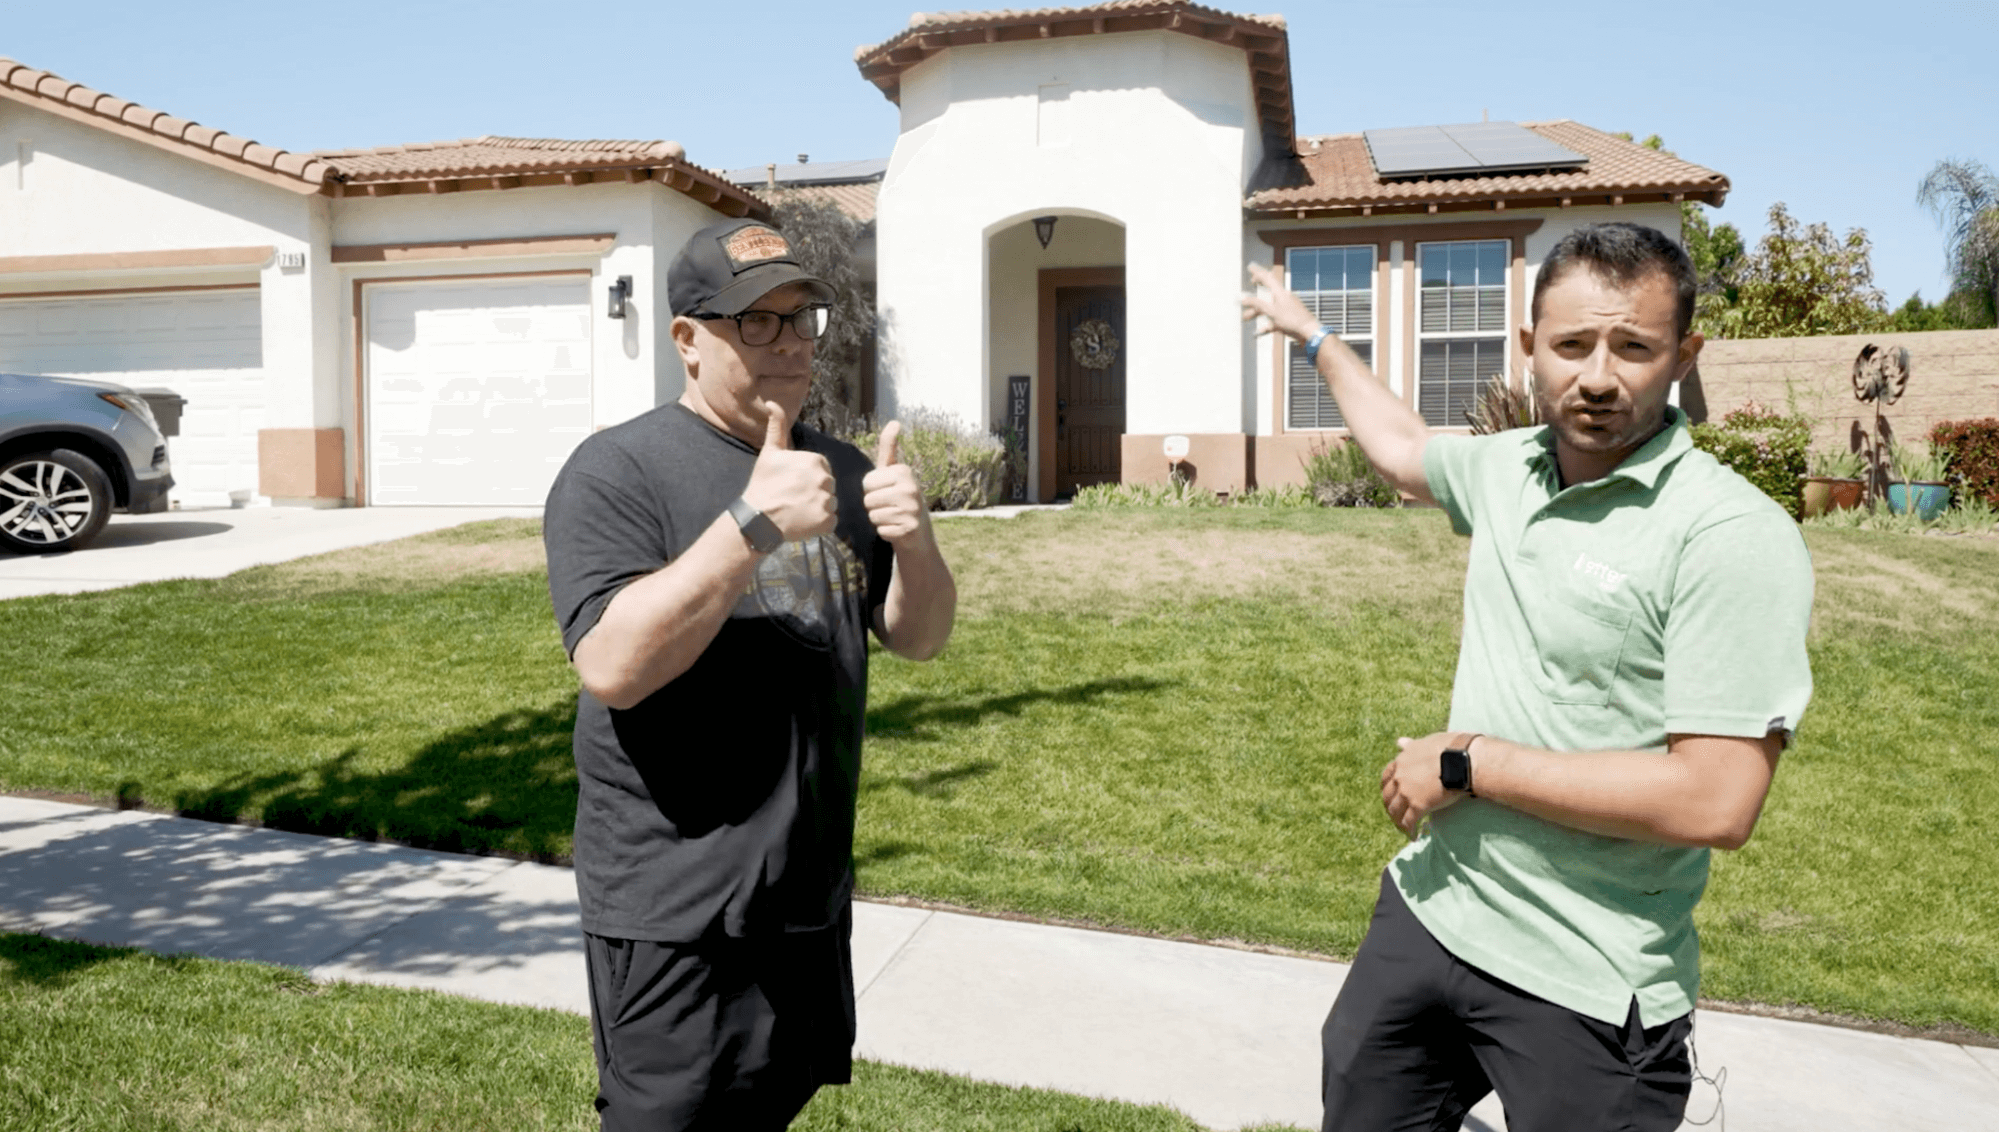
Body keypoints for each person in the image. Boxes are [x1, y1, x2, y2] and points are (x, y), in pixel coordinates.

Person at [1241, 222, 1813, 1132]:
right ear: (1528, 351)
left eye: (1632, 346)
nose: (1596, 375)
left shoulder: (1728, 535)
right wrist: (1313, 337)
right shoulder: (1507, 469)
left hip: (1587, 970)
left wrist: (1469, 763)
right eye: (1571, 344)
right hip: (1437, 915)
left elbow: (1716, 799)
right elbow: (1398, 449)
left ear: (1682, 357)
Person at [543, 217, 956, 1130]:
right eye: (754, 324)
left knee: (772, 1108)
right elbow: (612, 662)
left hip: (803, 902)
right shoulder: (617, 471)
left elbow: (917, 636)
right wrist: (752, 522)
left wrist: (915, 543)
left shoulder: (837, 471)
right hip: (675, 913)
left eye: (800, 319)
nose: (787, 345)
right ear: (687, 340)